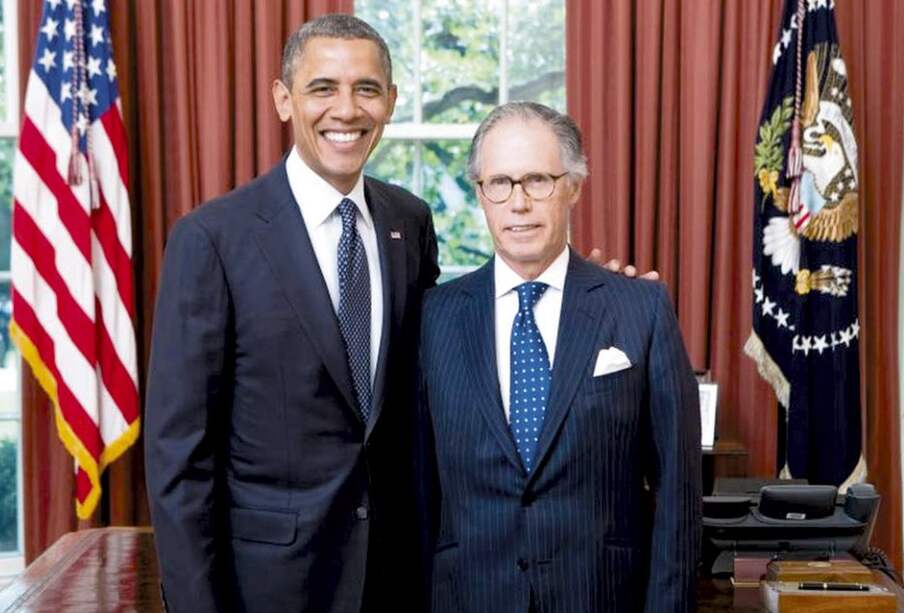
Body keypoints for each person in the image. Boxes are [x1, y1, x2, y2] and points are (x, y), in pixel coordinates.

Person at [144, 15, 438, 613]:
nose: (347, 109)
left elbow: (436, 371)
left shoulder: (410, 221)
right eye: (323, 88)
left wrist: (586, 294)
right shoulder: (212, 238)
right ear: (284, 99)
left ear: (391, 102)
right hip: (267, 584)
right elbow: (179, 455)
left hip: (394, 576)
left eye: (367, 89)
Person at [419, 102, 702, 613]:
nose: (518, 202)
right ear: (481, 194)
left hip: (602, 596)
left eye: (537, 181)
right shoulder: (434, 318)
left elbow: (679, 495)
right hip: (469, 597)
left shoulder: (640, 308)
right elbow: (417, 493)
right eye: (499, 183)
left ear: (573, 186)